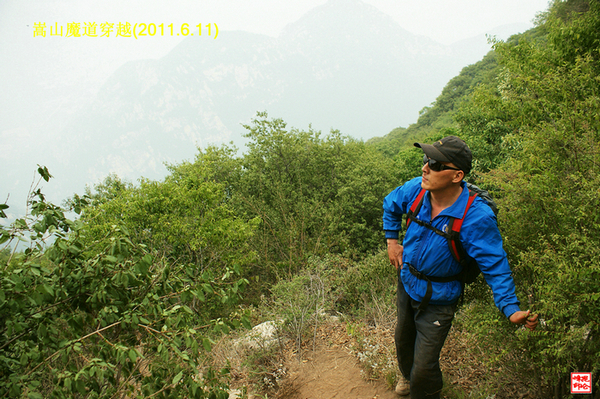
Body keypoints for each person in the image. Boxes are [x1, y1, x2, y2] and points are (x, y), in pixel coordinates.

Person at [382, 136, 538, 398]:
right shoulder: (417, 190)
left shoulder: (475, 217)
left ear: (457, 176)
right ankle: (406, 376)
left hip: (440, 297)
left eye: (435, 164)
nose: (425, 168)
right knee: (403, 340)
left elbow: (496, 265)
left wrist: (510, 308)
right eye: (425, 160)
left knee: (425, 367)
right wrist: (392, 241)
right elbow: (390, 204)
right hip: (407, 281)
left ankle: (423, 388)